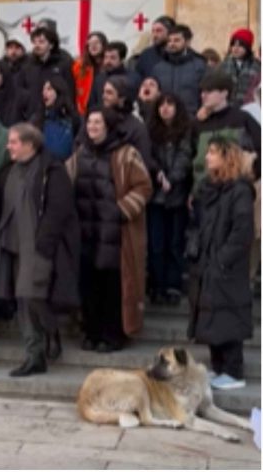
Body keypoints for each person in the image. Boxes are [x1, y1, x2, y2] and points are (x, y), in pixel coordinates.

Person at [0, 123, 79, 377]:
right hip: (14, 245)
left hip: (38, 245)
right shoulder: (11, 171)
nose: (8, 146)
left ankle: (50, 332)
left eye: (14, 142)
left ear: (30, 144)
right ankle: (34, 354)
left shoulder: (51, 170)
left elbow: (59, 209)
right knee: (22, 299)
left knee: (31, 295)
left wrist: (45, 242)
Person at [67, 110, 152, 353]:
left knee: (112, 288)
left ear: (108, 126)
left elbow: (144, 186)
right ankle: (91, 333)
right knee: (89, 286)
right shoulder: (80, 153)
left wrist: (121, 210)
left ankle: (113, 335)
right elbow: (64, 180)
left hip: (116, 235)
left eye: (97, 122)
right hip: (86, 233)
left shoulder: (126, 153)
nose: (92, 126)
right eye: (90, 122)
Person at [188, 137, 255, 391]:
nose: (207, 157)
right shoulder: (210, 188)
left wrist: (221, 260)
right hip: (208, 262)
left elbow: (241, 231)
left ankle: (233, 370)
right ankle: (219, 368)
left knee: (228, 315)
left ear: (227, 157)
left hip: (226, 267)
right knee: (211, 317)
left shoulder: (239, 191)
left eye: (213, 153)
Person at [146, 93, 193, 307]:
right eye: (162, 104)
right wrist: (158, 174)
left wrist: (172, 179)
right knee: (157, 243)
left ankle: (173, 285)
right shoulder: (151, 131)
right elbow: (148, 156)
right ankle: (157, 284)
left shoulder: (185, 130)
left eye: (170, 104)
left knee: (175, 242)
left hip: (177, 195)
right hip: (155, 195)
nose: (165, 108)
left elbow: (185, 157)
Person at [16, 26, 74, 124]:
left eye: (41, 42)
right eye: (34, 42)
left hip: (56, 119)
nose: (37, 45)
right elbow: (20, 91)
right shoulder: (27, 65)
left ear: (51, 45)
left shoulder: (63, 64)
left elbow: (70, 91)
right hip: (31, 118)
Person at [150, 25, 209, 115]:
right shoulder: (158, 68)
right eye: (169, 41)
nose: (171, 44)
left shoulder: (199, 66)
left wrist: (205, 109)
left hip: (191, 117)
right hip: (164, 120)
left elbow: (208, 91)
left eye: (176, 40)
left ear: (187, 42)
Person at [32, 78, 80, 162]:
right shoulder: (37, 118)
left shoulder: (73, 119)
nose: (44, 92)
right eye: (43, 89)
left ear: (59, 91)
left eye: (49, 89)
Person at [218, 28, 260, 106]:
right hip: (227, 109)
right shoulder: (223, 65)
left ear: (247, 47)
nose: (236, 48)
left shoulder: (257, 66)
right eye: (233, 44)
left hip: (248, 108)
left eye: (240, 45)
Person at [87, 42, 129, 114]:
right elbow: (92, 103)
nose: (108, 61)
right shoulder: (99, 78)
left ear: (122, 60)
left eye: (112, 58)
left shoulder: (130, 78)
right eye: (106, 57)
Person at [72, 32, 108, 115]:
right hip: (84, 112)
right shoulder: (79, 66)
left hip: (105, 111)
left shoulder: (109, 65)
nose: (93, 46)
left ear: (103, 45)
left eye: (96, 43)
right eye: (90, 44)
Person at [135, 15, 175, 80]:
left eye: (159, 31)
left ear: (170, 32)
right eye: (153, 31)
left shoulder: (180, 54)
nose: (155, 35)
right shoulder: (146, 55)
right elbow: (137, 78)